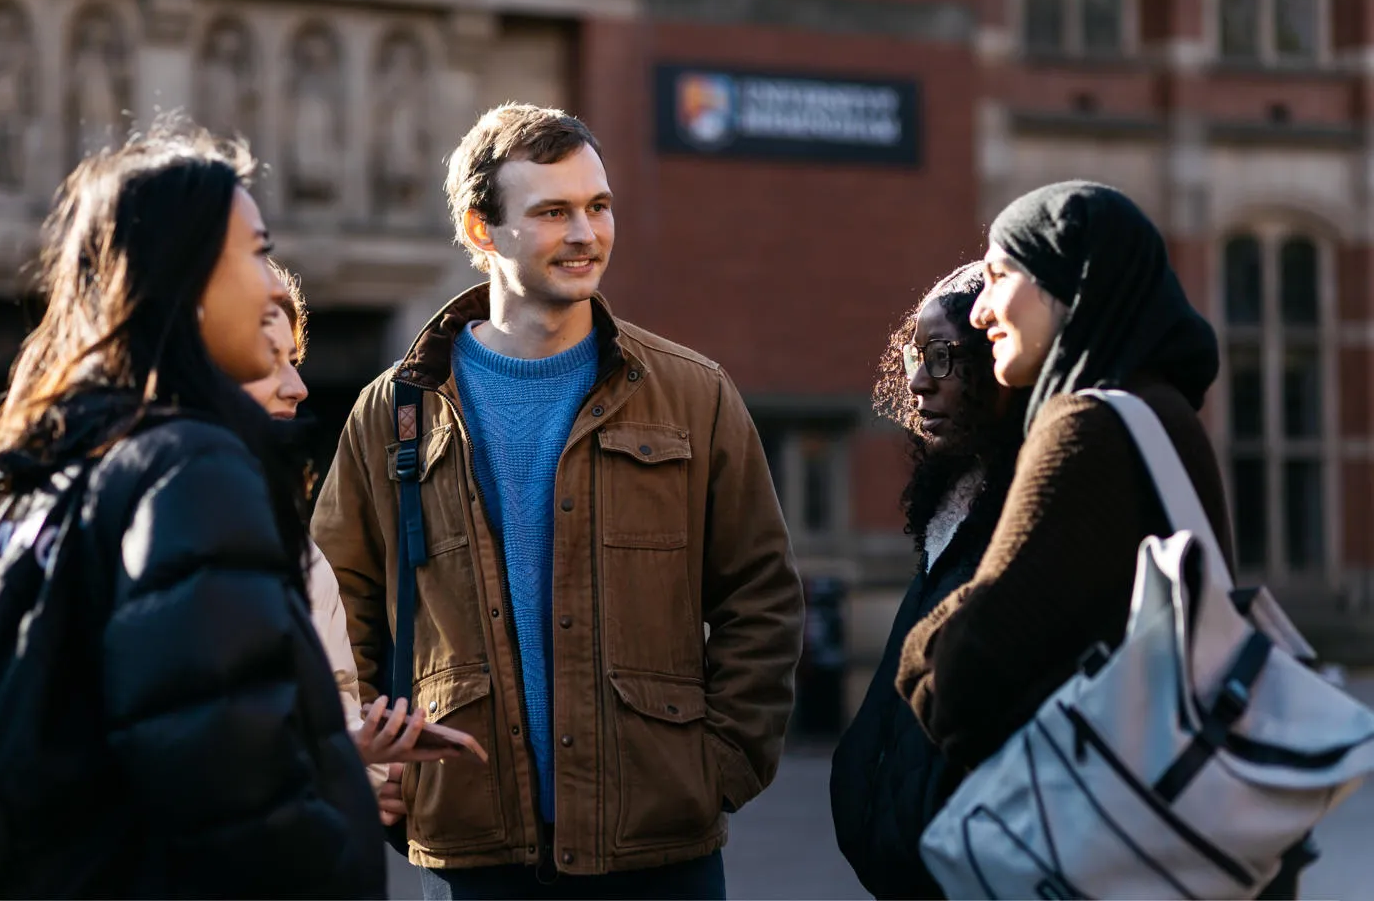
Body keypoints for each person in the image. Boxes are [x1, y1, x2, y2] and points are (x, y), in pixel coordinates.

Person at [311, 103, 805, 899]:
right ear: (481, 230)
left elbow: (762, 595)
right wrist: (363, 757)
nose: (586, 233)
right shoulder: (396, 411)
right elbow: (338, 606)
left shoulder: (691, 394)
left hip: (658, 844)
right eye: (552, 212)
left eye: (598, 207)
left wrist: (716, 768)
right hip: (474, 839)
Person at [0, 127, 385, 897]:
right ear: (192, 279)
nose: (270, 286)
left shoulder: (48, 457)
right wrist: (335, 860)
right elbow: (231, 778)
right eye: (256, 252)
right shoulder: (190, 465)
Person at [895, 181, 1302, 897]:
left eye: (997, 277)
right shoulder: (1161, 411)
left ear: (1064, 283)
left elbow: (961, 683)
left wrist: (919, 643)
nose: (982, 308)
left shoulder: (1085, 426)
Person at [830, 264, 1026, 899]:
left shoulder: (1030, 515)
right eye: (918, 356)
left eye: (942, 357)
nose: (917, 383)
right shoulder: (951, 506)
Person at [241, 262, 466, 817]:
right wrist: (344, 759)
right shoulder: (160, 521)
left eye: (292, 361)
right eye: (270, 363)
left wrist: (367, 773)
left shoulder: (273, 520)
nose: (297, 387)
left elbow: (329, 694)